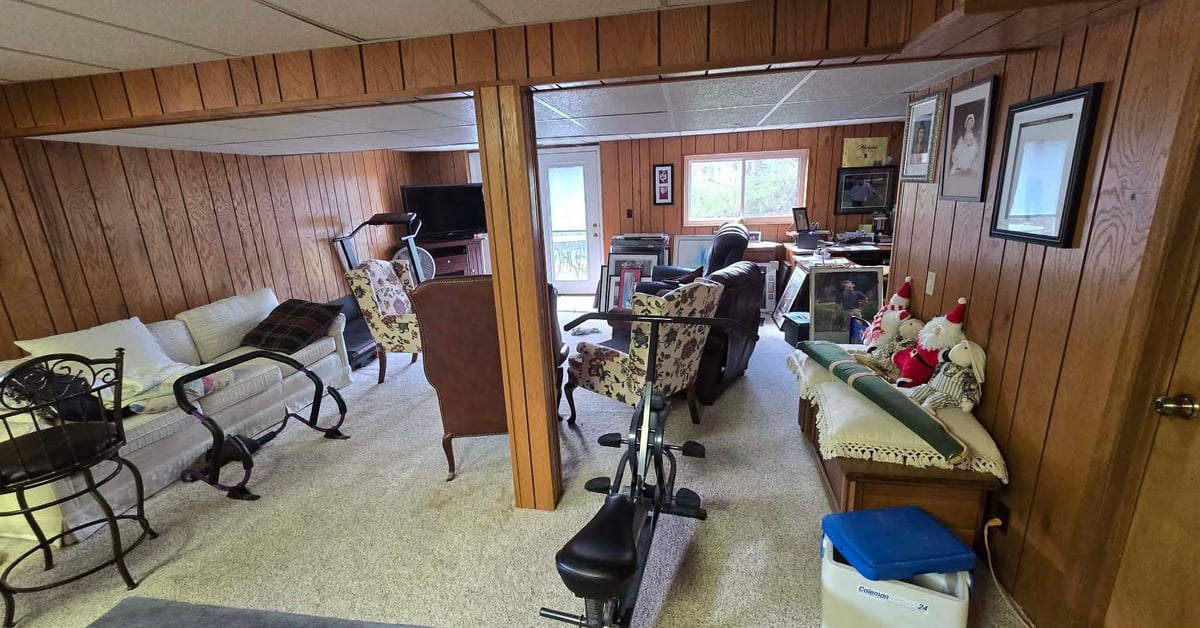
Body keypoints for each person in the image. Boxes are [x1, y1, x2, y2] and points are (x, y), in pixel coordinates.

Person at [948, 112, 981, 179]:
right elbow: (964, 140)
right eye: (968, 124)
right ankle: (956, 166)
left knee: (965, 156)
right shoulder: (966, 133)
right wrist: (964, 143)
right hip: (964, 146)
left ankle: (961, 165)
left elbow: (971, 142)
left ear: (972, 125)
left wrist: (968, 144)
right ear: (966, 124)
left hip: (968, 148)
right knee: (958, 152)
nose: (969, 125)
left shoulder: (971, 133)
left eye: (970, 124)